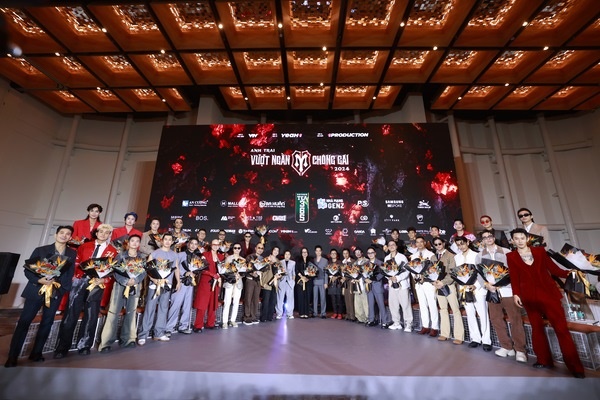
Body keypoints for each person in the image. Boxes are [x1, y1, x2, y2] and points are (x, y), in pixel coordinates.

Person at [507, 228, 585, 378]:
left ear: (527, 238)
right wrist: (516, 293)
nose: (519, 241)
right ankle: (544, 360)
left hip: (549, 295)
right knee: (537, 329)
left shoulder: (540, 251)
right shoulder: (511, 256)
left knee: (561, 329)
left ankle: (575, 367)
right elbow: (514, 276)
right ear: (512, 240)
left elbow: (554, 270)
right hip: (528, 298)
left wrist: (573, 273)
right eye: (516, 238)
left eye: (522, 238)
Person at [5, 226, 76, 368]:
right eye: (61, 232)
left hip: (55, 292)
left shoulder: (71, 253)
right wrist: (39, 280)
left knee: (47, 323)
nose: (64, 235)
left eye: (68, 234)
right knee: (24, 322)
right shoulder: (41, 250)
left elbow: (69, 274)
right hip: (36, 290)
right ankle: (13, 356)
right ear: (56, 234)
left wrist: (61, 289)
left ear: (70, 238)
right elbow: (28, 270)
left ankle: (37, 353)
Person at [54, 224, 117, 358]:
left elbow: (113, 270)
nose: (103, 234)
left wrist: (104, 279)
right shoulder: (84, 246)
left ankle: (84, 345)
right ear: (96, 233)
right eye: (101, 231)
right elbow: (76, 263)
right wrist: (75, 277)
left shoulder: (113, 251)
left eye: (107, 233)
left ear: (109, 235)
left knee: (91, 315)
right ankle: (62, 347)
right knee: (70, 313)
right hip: (79, 281)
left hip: (97, 284)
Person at [476, 231, 527, 362]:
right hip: (492, 291)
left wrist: (508, 285)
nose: (488, 239)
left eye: (490, 236)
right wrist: (486, 285)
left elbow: (514, 271)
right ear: (482, 240)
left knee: (515, 319)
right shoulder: (479, 255)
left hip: (507, 290)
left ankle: (520, 350)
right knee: (496, 319)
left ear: (494, 238)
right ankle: (506, 346)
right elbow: (479, 274)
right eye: (485, 238)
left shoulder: (506, 252)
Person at [98, 234, 146, 352]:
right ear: (128, 243)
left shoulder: (142, 258)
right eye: (132, 241)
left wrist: (135, 280)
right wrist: (125, 281)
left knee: (131, 312)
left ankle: (128, 339)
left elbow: (144, 272)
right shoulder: (120, 256)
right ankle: (106, 342)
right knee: (113, 312)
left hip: (135, 286)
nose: (135, 243)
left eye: (137, 241)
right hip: (120, 286)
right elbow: (115, 270)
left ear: (139, 244)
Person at [137, 233, 180, 344]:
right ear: (162, 241)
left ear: (172, 242)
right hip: (154, 285)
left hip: (167, 285)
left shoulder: (174, 255)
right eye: (166, 239)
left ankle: (159, 333)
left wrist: (178, 282)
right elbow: (148, 268)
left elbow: (176, 269)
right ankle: (143, 335)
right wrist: (154, 279)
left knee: (163, 309)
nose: (167, 241)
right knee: (150, 308)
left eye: (170, 240)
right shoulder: (154, 253)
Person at [454, 236, 491, 352]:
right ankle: (475, 338)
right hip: (464, 289)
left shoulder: (477, 255)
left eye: (462, 243)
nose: (461, 246)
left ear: (468, 242)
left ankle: (486, 340)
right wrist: (463, 285)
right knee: (470, 313)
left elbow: (482, 272)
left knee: (483, 314)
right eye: (458, 245)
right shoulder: (457, 257)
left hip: (478, 289)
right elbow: (458, 274)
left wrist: (476, 285)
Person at [105, 212, 143, 309]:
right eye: (128, 218)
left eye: (132, 219)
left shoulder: (138, 233)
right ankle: (113, 305)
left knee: (131, 279)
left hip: (132, 259)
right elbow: (112, 244)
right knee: (118, 279)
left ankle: (127, 305)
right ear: (125, 220)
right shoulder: (117, 231)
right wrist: (117, 250)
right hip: (119, 257)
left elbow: (138, 247)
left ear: (135, 221)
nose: (130, 221)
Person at [166, 237, 200, 335]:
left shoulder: (197, 257)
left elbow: (198, 269)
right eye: (192, 243)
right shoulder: (180, 255)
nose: (193, 245)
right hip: (180, 281)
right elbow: (175, 267)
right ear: (188, 244)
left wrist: (194, 273)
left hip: (190, 283)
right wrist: (184, 273)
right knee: (175, 305)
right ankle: (169, 327)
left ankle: (183, 326)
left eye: (195, 244)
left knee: (187, 305)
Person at [432, 238, 464, 345]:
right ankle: (445, 333)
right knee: (443, 309)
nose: (438, 246)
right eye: (436, 244)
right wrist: (434, 282)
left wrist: (443, 282)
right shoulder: (433, 257)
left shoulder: (451, 256)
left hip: (449, 285)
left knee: (455, 309)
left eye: (439, 243)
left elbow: (452, 272)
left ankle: (459, 336)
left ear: (444, 244)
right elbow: (430, 271)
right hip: (438, 286)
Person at [192, 238, 223, 332]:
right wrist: (212, 274)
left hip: (216, 283)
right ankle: (198, 325)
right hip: (205, 282)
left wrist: (220, 276)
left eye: (217, 245)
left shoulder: (221, 257)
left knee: (213, 303)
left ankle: (210, 323)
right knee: (202, 304)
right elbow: (201, 269)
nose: (215, 246)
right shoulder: (204, 255)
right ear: (211, 245)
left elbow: (223, 270)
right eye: (214, 244)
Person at [410, 236, 438, 337]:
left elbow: (434, 269)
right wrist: (416, 277)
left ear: (425, 243)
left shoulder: (431, 255)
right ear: (415, 244)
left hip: (429, 283)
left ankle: (435, 327)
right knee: (422, 305)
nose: (419, 244)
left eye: (421, 242)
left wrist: (424, 276)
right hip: (419, 283)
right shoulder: (414, 256)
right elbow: (412, 269)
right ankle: (425, 326)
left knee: (432, 304)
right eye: (417, 242)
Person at [384, 240, 411, 332]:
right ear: (387, 247)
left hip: (402, 284)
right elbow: (385, 271)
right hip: (392, 284)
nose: (391, 246)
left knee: (405, 304)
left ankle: (408, 324)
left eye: (393, 245)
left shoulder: (402, 257)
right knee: (393, 305)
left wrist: (397, 278)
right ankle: (396, 323)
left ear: (396, 246)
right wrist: (390, 277)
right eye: (389, 245)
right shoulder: (386, 258)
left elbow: (407, 271)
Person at [221, 242, 244, 328]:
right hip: (229, 281)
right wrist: (232, 274)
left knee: (236, 302)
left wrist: (240, 275)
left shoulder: (243, 259)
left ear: (240, 249)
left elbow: (245, 271)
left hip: (238, 282)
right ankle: (225, 322)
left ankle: (233, 320)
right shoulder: (228, 258)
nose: (237, 249)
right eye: (235, 248)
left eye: (238, 248)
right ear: (233, 249)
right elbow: (225, 270)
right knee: (227, 301)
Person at [365, 246, 389, 328]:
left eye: (372, 252)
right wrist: (366, 279)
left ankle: (385, 322)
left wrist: (373, 279)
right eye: (369, 253)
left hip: (377, 285)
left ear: (375, 253)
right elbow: (362, 273)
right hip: (369, 286)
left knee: (381, 304)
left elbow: (382, 273)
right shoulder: (366, 263)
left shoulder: (380, 263)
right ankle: (371, 320)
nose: (370, 254)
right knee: (370, 304)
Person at [243, 242, 265, 325]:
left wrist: (261, 272)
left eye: (262, 248)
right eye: (259, 248)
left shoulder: (263, 259)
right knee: (248, 298)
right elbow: (246, 268)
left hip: (258, 281)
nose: (260, 250)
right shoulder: (250, 257)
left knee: (255, 299)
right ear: (255, 248)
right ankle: (247, 317)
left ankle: (253, 316)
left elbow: (264, 268)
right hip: (250, 279)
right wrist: (253, 273)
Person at [259, 246, 279, 322]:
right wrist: (262, 282)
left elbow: (281, 271)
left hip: (274, 284)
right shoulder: (266, 259)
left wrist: (280, 275)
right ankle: (263, 317)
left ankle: (270, 316)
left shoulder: (278, 261)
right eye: (275, 250)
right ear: (272, 251)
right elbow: (261, 271)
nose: (276, 252)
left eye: (277, 251)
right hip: (267, 283)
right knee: (266, 301)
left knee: (273, 301)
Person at [276, 249, 296, 319]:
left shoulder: (293, 263)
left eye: (288, 254)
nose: (287, 255)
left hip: (290, 282)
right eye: (286, 254)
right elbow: (278, 272)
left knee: (290, 298)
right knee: (280, 298)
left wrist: (293, 281)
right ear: (284, 255)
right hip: (282, 281)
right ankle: (279, 313)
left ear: (290, 255)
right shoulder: (280, 262)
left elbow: (294, 273)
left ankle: (290, 313)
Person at [295, 247, 313, 319]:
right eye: (303, 252)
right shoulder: (298, 261)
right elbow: (296, 270)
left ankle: (307, 313)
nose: (304, 253)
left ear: (307, 253)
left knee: (307, 297)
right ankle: (301, 313)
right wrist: (302, 277)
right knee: (301, 297)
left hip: (308, 281)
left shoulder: (310, 261)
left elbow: (313, 270)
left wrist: (308, 277)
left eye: (305, 252)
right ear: (301, 253)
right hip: (300, 281)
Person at [352, 248, 369, 324]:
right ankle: (360, 318)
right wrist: (353, 278)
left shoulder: (367, 261)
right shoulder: (354, 263)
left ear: (362, 252)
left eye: (359, 252)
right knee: (357, 302)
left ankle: (367, 318)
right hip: (356, 284)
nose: (358, 253)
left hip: (364, 284)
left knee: (365, 302)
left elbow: (368, 272)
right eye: (356, 252)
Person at [326, 249, 343, 320]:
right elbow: (327, 272)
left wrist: (337, 277)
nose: (333, 254)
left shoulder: (340, 263)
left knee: (339, 298)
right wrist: (330, 276)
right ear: (330, 255)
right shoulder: (329, 263)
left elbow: (342, 273)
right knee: (333, 299)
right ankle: (335, 312)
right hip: (331, 283)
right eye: (332, 253)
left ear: (337, 255)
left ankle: (340, 313)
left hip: (338, 283)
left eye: (334, 253)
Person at [312, 245, 328, 318]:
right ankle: (315, 313)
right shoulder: (313, 260)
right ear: (315, 252)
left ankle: (323, 313)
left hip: (322, 281)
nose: (318, 252)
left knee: (323, 297)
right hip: (315, 281)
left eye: (319, 251)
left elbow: (326, 272)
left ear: (321, 252)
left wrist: (326, 282)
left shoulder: (325, 260)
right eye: (317, 251)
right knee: (315, 298)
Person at [340, 248, 355, 321]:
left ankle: (352, 316)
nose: (345, 255)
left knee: (350, 298)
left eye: (346, 253)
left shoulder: (352, 261)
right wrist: (342, 278)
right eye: (344, 253)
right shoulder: (342, 262)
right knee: (346, 299)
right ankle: (348, 314)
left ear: (349, 254)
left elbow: (353, 272)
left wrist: (346, 278)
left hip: (350, 282)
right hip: (344, 282)